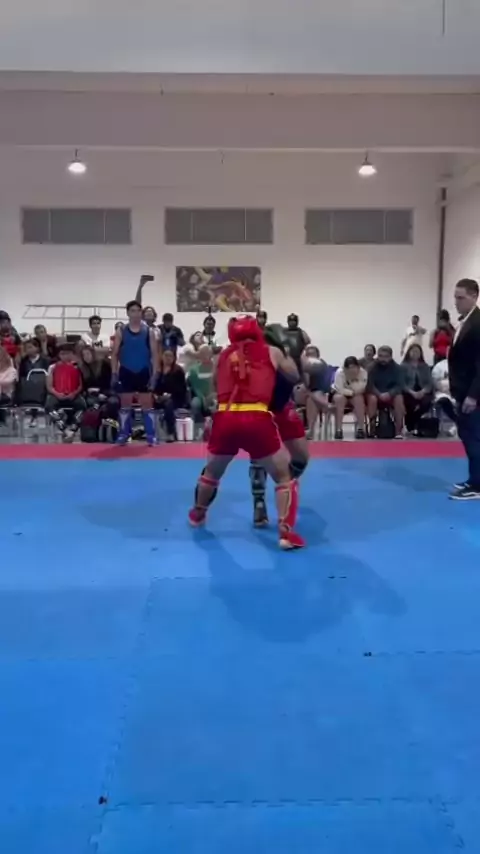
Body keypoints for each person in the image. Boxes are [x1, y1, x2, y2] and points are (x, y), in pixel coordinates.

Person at [188, 316, 305, 550]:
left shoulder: (222, 355)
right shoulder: (271, 351)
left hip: (226, 417)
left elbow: (213, 388)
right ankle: (286, 534)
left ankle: (198, 514)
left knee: (211, 472)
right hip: (256, 417)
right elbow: (294, 376)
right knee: (284, 476)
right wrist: (286, 352)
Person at [248, 324, 309, 528]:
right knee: (258, 459)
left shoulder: (286, 357)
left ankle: (285, 487)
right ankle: (259, 502)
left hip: (283, 409)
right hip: (261, 411)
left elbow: (296, 377)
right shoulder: (253, 359)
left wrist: (288, 353)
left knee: (301, 457)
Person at [111, 300, 159, 445]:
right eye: (132, 311)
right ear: (128, 313)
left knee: (147, 405)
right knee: (125, 405)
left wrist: (155, 375)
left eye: (138, 311)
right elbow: (114, 354)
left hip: (143, 371)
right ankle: (124, 434)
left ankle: (151, 435)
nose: (136, 314)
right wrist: (114, 373)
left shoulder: (149, 331)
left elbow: (155, 354)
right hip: (126, 371)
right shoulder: (121, 331)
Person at [448, 278, 480, 500]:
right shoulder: (465, 322)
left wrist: (473, 395)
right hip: (462, 389)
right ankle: (474, 478)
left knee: (474, 438)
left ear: (474, 296)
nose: (456, 302)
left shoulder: (478, 323)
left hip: (472, 393)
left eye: (461, 298)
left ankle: (477, 486)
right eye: (455, 297)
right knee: (467, 435)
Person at [45, 344, 85, 442]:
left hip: (73, 394)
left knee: (82, 406)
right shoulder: (52, 367)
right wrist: (57, 394)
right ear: (59, 355)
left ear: (72, 354)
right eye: (62, 354)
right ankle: (64, 429)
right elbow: (49, 386)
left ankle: (73, 429)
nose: (65, 356)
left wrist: (74, 393)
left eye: (68, 353)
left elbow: (80, 385)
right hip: (57, 394)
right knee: (49, 406)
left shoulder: (77, 366)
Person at [367, 345, 405, 438]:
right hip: (376, 394)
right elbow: (369, 384)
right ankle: (372, 429)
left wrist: (389, 393)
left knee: (399, 398)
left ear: (391, 357)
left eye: (386, 356)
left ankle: (398, 431)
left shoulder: (398, 368)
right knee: (372, 399)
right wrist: (379, 394)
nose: (383, 359)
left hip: (391, 395)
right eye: (380, 356)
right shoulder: (371, 367)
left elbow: (400, 385)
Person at [155, 349, 188, 441]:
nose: (168, 358)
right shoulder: (158, 370)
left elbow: (182, 389)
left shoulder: (178, 371)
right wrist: (155, 395)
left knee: (168, 404)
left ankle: (171, 433)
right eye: (166, 355)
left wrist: (169, 395)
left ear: (174, 358)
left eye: (170, 356)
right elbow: (154, 386)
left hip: (176, 398)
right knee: (147, 402)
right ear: (162, 357)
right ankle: (149, 432)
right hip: (160, 397)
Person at [332, 357, 368, 439]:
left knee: (359, 399)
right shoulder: (339, 373)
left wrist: (352, 385)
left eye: (354, 367)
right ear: (345, 368)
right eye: (349, 368)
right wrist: (351, 391)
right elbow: (340, 389)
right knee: (339, 399)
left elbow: (361, 387)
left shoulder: (363, 372)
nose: (352, 370)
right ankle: (338, 429)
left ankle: (360, 429)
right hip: (340, 393)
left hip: (356, 394)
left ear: (358, 367)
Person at [401, 344, 433, 434]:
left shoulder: (425, 366)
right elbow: (401, 383)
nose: (415, 353)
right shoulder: (403, 366)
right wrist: (412, 392)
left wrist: (423, 391)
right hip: (409, 392)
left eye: (417, 351)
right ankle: (410, 425)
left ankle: (412, 424)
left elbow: (430, 383)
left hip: (423, 391)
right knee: (409, 403)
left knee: (426, 403)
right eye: (413, 351)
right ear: (408, 353)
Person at [188, 344, 216, 427]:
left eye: (207, 353)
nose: (205, 356)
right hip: (200, 397)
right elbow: (195, 387)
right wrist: (203, 398)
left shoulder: (217, 367)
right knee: (195, 404)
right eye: (202, 353)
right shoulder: (193, 370)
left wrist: (214, 395)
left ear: (211, 354)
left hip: (215, 395)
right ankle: (199, 428)